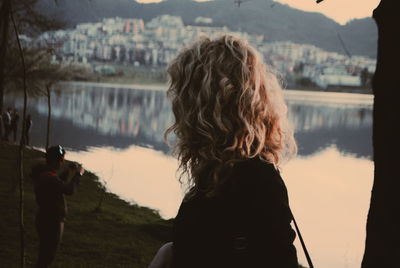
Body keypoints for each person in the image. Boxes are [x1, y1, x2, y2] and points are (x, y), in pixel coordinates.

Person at [158, 35, 299, 268]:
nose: (177, 104)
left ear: (201, 102)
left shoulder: (254, 180)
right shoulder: (225, 171)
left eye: (182, 92)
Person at [31, 145, 85, 268]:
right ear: (55, 160)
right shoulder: (49, 177)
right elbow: (69, 190)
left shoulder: (46, 174)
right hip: (52, 221)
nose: (63, 162)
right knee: (47, 258)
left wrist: (67, 171)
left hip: (45, 218)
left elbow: (57, 185)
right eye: (61, 159)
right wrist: (79, 175)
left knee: (44, 254)